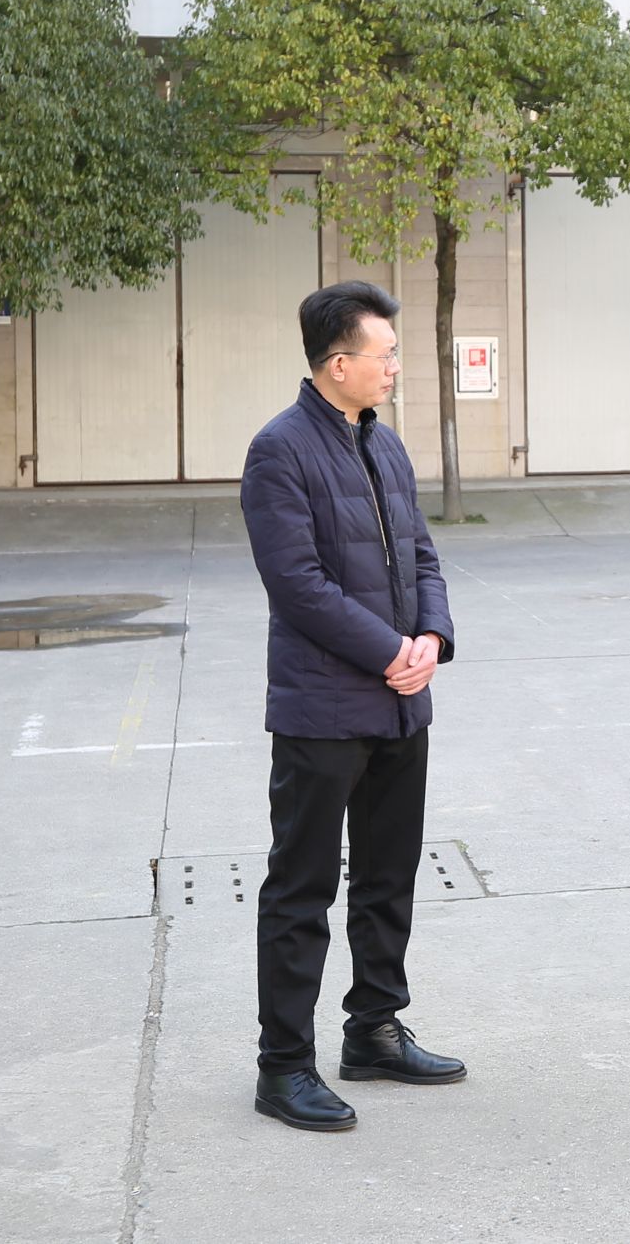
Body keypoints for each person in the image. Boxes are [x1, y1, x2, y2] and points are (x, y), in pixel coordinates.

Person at [239, 281, 462, 1133]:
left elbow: (423, 554)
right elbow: (297, 584)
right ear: (339, 364)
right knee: (302, 886)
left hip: (401, 706)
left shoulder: (385, 443)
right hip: (323, 709)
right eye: (386, 354)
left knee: (387, 875)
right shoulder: (280, 450)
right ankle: (283, 1066)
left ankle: (374, 1029)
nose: (396, 367)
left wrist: (431, 638)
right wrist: (390, 651)